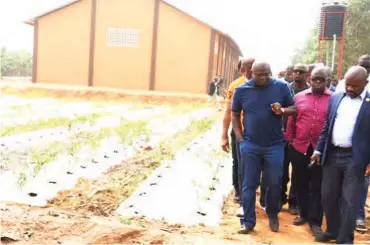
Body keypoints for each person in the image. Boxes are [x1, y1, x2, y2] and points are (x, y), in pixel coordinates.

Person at [231, 61, 297, 233]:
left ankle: (273, 214)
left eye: (267, 74)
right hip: (250, 145)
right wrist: (240, 139)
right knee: (249, 184)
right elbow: (235, 114)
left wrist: (281, 110)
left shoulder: (281, 87)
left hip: (274, 145)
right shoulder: (241, 90)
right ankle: (248, 221)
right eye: (259, 74)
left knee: (274, 183)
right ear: (251, 73)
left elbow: (294, 108)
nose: (264, 77)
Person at [311, 66, 370, 244]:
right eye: (348, 84)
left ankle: (344, 239)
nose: (350, 89)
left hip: (356, 158)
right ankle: (332, 231)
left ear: (366, 84)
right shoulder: (336, 97)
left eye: (355, 86)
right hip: (332, 155)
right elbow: (327, 126)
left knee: (350, 201)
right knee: (328, 196)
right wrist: (318, 149)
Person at [285, 67, 332, 237]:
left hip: (321, 150)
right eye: (315, 79)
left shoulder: (334, 99)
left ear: (328, 80)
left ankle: (315, 221)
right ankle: (303, 213)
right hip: (299, 147)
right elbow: (292, 119)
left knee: (318, 185)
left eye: (322, 79)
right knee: (300, 184)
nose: (317, 82)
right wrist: (290, 140)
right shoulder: (299, 97)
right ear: (310, 79)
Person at [334, 55, 370, 232]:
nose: (350, 88)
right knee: (334, 192)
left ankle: (358, 218)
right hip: (337, 150)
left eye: (368, 66)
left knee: (358, 188)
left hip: (360, 151)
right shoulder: (343, 87)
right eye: (363, 65)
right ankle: (336, 225)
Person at [221, 58, 255, 217]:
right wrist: (224, 135)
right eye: (248, 67)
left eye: (253, 67)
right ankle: (240, 193)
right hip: (239, 131)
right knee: (240, 163)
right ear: (242, 70)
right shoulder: (235, 86)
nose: (251, 70)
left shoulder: (264, 85)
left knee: (252, 166)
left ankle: (249, 192)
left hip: (257, 133)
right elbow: (228, 112)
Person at [282, 63, 310, 215]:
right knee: (282, 170)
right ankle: (280, 198)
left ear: (307, 74)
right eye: (295, 71)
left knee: (298, 172)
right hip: (281, 135)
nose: (297, 74)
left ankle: (294, 202)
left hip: (300, 138)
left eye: (301, 72)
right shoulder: (285, 88)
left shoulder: (310, 92)